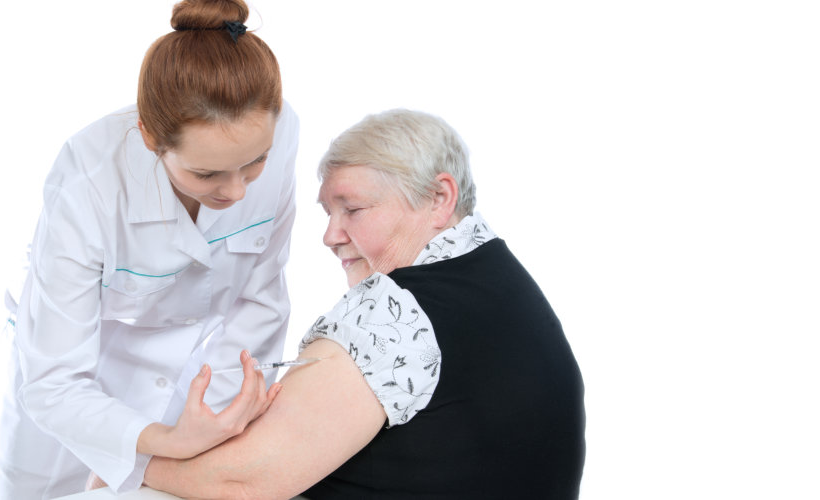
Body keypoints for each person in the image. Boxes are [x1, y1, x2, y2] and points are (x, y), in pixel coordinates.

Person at [139, 109, 585, 499]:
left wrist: (128, 467)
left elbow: (244, 480)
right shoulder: (505, 287)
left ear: (438, 198)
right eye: (328, 213)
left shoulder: (398, 311)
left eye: (352, 210)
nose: (330, 235)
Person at [0, 1, 299, 498]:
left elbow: (259, 301)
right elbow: (55, 382)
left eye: (254, 164)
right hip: (71, 388)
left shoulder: (281, 132)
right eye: (206, 174)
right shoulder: (87, 181)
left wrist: (217, 423)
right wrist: (161, 441)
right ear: (150, 138)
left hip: (193, 376)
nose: (238, 191)